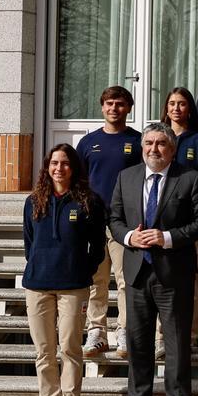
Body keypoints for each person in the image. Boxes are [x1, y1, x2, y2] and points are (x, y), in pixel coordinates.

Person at [109, 123, 198, 396]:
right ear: (142, 148)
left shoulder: (189, 178)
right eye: (149, 143)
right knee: (138, 342)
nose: (154, 149)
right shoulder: (126, 178)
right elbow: (114, 218)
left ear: (173, 148)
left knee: (177, 343)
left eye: (161, 144)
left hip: (173, 273)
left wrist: (166, 237)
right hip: (137, 271)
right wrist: (128, 238)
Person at [22, 145, 106, 396]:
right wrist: (37, 264)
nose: (59, 168)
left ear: (74, 168)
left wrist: (84, 269)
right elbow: (29, 243)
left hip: (73, 286)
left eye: (65, 163)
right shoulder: (34, 201)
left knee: (70, 347)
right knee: (43, 350)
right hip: (38, 285)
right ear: (47, 167)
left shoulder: (89, 202)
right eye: (54, 163)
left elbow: (98, 246)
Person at [77, 86, 141, 360]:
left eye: (120, 104)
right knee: (96, 279)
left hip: (124, 222)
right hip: (92, 220)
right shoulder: (88, 143)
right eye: (109, 104)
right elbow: (77, 182)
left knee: (125, 279)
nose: (114, 108)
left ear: (129, 108)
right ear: (102, 107)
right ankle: (97, 331)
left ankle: (124, 329)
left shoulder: (138, 141)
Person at [162, 86, 198, 349]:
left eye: (182, 104)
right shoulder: (157, 138)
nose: (176, 108)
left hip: (192, 221)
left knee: (191, 278)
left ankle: (191, 335)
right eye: (172, 103)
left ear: (190, 108)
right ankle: (163, 337)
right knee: (161, 278)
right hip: (161, 219)